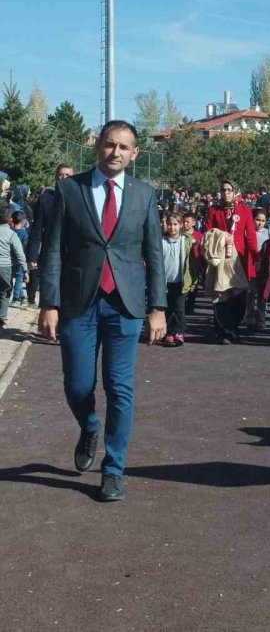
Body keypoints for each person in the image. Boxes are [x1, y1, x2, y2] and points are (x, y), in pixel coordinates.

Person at [38, 120, 167, 502]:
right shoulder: (69, 189)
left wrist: (157, 306)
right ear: (98, 147)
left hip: (124, 306)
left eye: (124, 147)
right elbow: (54, 249)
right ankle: (89, 425)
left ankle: (113, 470)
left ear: (135, 154)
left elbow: (154, 254)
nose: (116, 153)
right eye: (110, 145)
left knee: (120, 389)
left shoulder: (144, 195)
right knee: (77, 385)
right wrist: (49, 303)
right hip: (79, 305)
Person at [202, 180, 258, 344]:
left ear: (235, 192)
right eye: (223, 190)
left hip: (238, 261)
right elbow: (207, 232)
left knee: (239, 298)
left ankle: (233, 328)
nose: (225, 193)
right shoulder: (214, 210)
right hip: (220, 260)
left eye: (229, 190)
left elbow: (251, 236)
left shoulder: (245, 210)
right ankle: (223, 332)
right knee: (221, 297)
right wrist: (222, 236)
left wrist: (255, 257)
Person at [26, 163, 74, 307]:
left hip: (74, 253)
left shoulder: (81, 198)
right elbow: (37, 229)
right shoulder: (45, 199)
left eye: (67, 175)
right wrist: (32, 256)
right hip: (51, 251)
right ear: (55, 178)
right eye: (60, 175)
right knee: (49, 290)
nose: (63, 178)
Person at [161, 212, 199, 347]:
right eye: (170, 224)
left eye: (175, 224)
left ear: (181, 225)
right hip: (165, 282)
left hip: (181, 281)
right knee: (167, 308)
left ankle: (179, 332)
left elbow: (192, 263)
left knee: (179, 308)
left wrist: (194, 280)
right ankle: (169, 333)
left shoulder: (187, 240)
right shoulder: (161, 241)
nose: (172, 228)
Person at [0, 207, 27, 329]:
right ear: (10, 220)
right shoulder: (12, 234)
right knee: (5, 292)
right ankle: (1, 318)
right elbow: (20, 254)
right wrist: (25, 270)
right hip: (5, 267)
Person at [10, 211, 29, 305]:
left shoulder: (10, 231)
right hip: (20, 260)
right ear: (23, 221)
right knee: (19, 278)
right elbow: (25, 248)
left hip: (10, 258)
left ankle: (21, 296)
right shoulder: (24, 233)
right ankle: (16, 298)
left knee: (18, 278)